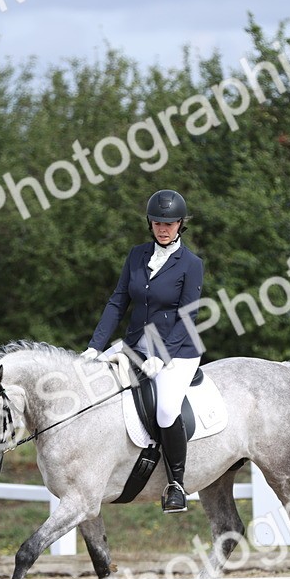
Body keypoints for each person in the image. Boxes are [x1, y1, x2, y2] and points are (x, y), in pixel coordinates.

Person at [80, 189, 205, 513]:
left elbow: (187, 316)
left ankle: (176, 484)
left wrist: (160, 358)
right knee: (93, 385)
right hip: (136, 344)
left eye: (170, 223)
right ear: (150, 224)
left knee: (165, 409)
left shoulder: (191, 264)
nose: (164, 228)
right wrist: (95, 347)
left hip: (178, 350)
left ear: (181, 225)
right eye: (158, 223)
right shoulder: (136, 255)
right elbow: (118, 301)